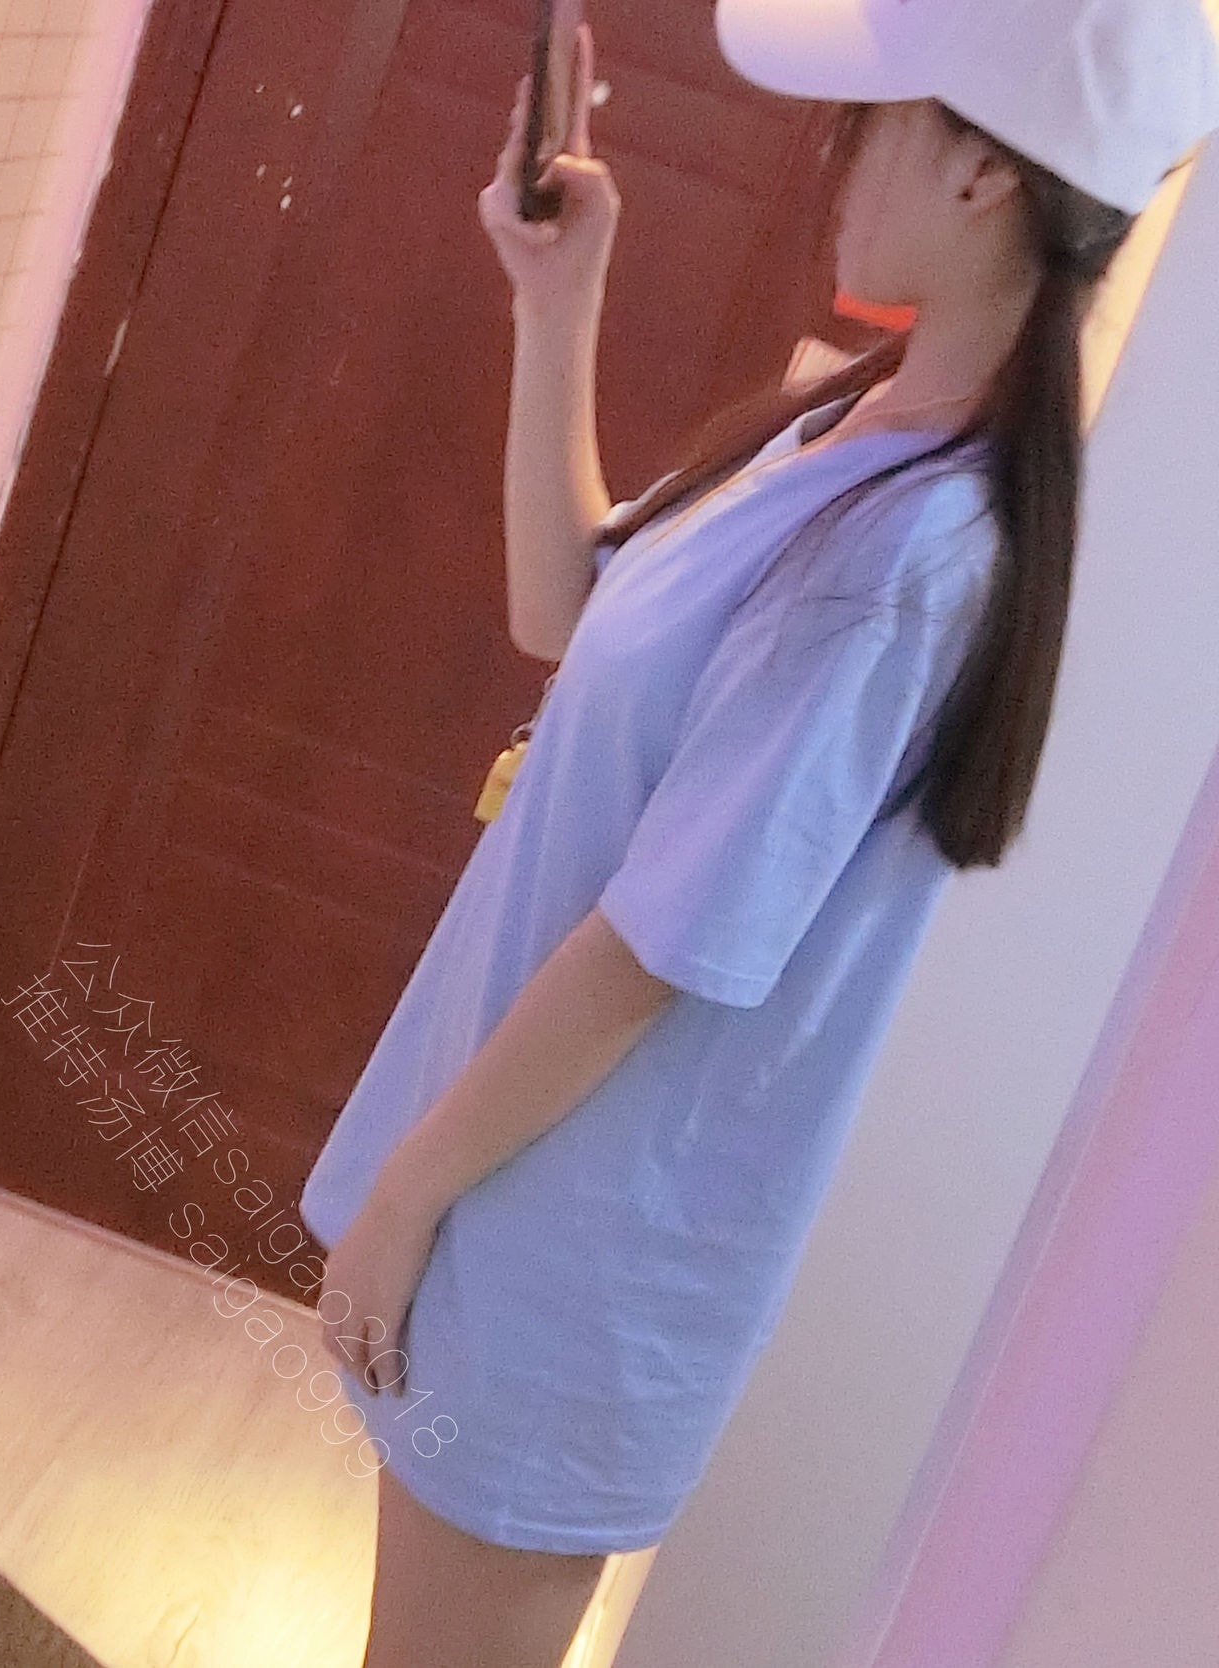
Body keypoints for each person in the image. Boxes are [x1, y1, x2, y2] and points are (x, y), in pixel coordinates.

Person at [299, 3, 1219, 1664]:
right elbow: (564, 609)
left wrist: (409, 1194)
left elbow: (657, 948)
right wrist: (558, 298)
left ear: (984, 173)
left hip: (565, 1245)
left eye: (873, 118)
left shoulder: (908, 556)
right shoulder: (856, 427)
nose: (839, 157)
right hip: (521, 1189)